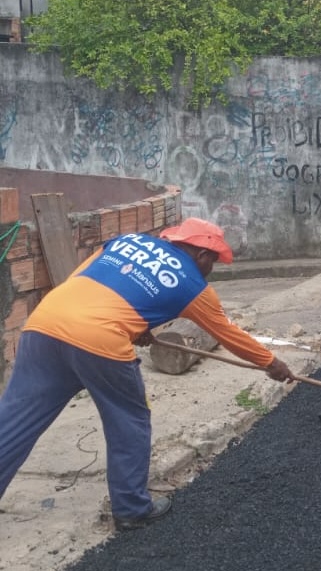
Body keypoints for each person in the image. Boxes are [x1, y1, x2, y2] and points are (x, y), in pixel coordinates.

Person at [0, 218, 296, 531]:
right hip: (100, 340)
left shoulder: (126, 241)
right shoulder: (193, 286)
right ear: (202, 255)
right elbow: (228, 333)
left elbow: (82, 279)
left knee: (17, 417)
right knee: (129, 418)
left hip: (45, 322)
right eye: (214, 261)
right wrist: (270, 362)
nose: (212, 269)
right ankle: (131, 508)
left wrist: (136, 325)